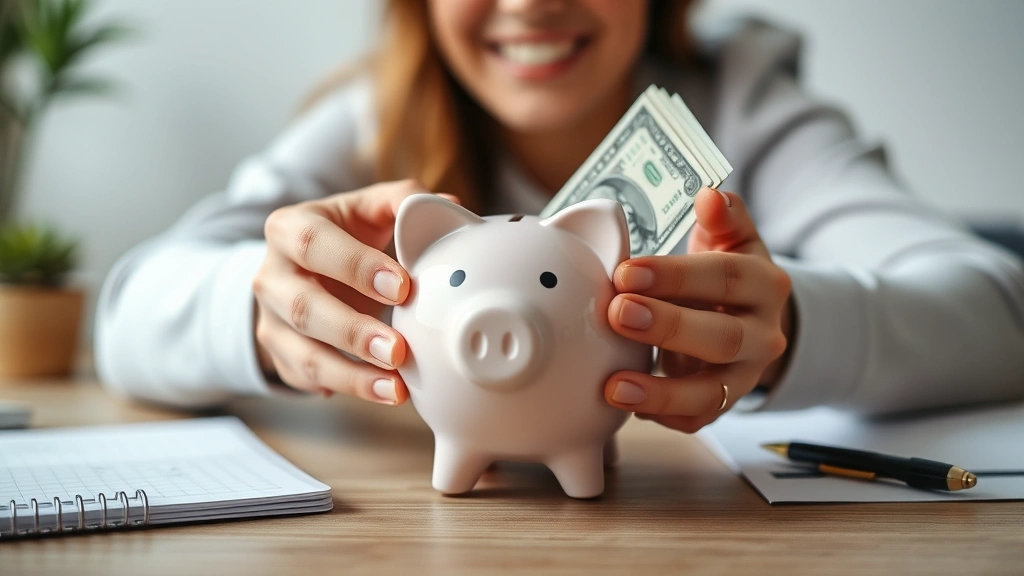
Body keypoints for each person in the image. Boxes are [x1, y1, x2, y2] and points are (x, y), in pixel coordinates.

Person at [95, 0, 1024, 435]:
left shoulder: (746, 109)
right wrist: (261, 314)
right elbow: (126, 309)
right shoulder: (372, 122)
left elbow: (1000, 310)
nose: (532, 2)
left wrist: (789, 331)